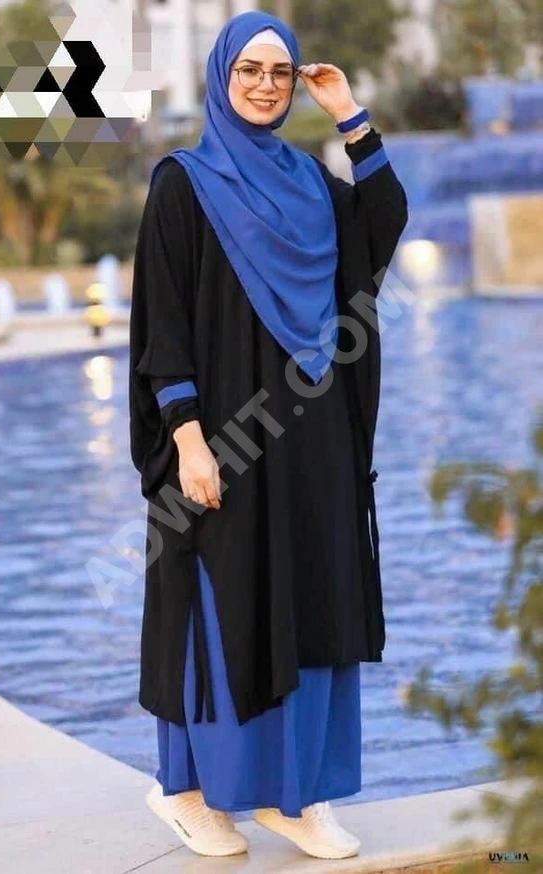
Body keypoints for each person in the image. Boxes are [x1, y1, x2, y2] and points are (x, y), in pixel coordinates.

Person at [128, 9, 408, 861]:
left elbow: (382, 224)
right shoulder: (182, 184)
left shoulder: (310, 182)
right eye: (248, 69)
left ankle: (297, 795)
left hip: (313, 434)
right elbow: (162, 322)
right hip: (225, 438)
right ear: (221, 76)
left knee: (315, 596)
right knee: (220, 600)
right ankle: (184, 791)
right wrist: (187, 440)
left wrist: (350, 116)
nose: (264, 84)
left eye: (279, 72)